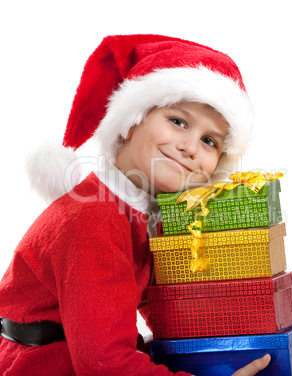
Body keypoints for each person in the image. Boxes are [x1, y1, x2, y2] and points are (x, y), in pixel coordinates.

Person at [0, 34, 271, 375]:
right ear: (130, 123)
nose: (190, 147)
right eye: (178, 121)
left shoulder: (141, 213)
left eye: (209, 141)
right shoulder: (94, 217)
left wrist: (235, 335)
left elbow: (161, 307)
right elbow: (105, 363)